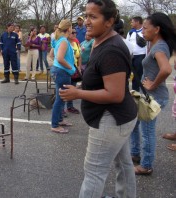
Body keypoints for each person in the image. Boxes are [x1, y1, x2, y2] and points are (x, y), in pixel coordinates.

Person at [59, 0, 137, 197]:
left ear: (109, 21)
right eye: (86, 16)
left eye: (93, 17)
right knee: (124, 163)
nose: (86, 21)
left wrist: (78, 94)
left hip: (112, 118)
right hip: (121, 117)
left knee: (94, 172)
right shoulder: (99, 41)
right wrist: (83, 86)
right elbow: (102, 80)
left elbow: (115, 94)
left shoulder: (111, 49)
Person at [131, 12, 176, 175]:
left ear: (156, 29)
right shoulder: (155, 44)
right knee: (135, 122)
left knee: (147, 131)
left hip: (155, 97)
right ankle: (135, 153)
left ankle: (146, 165)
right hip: (149, 95)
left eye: (145, 28)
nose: (142, 31)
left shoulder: (159, 47)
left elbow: (166, 69)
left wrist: (152, 84)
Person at [50, 19, 75, 134]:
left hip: (57, 70)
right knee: (60, 99)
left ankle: (59, 120)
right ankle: (55, 125)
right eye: (71, 28)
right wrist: (70, 67)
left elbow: (51, 55)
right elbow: (59, 58)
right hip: (62, 72)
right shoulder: (64, 41)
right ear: (69, 28)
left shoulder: (58, 39)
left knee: (62, 97)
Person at [126, 16, 146, 92]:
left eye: (132, 22)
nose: (131, 23)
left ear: (137, 22)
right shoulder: (131, 32)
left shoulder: (144, 31)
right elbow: (127, 43)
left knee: (138, 75)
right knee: (129, 74)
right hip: (131, 56)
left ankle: (137, 91)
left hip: (141, 55)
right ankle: (129, 91)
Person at [65, 29, 81, 114]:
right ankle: (61, 109)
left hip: (74, 69)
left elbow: (79, 56)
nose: (75, 34)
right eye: (73, 33)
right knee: (65, 88)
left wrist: (79, 66)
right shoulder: (65, 43)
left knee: (72, 87)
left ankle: (70, 106)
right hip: (66, 68)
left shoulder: (76, 43)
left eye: (75, 32)